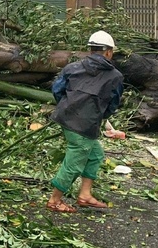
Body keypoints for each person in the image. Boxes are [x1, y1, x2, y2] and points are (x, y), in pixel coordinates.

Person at [46, 30, 124, 213]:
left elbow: (57, 90)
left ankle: (85, 195)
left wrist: (68, 106)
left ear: (90, 49)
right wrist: (98, 115)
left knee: (95, 154)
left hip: (67, 118)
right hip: (84, 125)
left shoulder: (72, 67)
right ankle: (54, 200)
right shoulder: (115, 76)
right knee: (74, 162)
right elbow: (112, 104)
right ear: (108, 52)